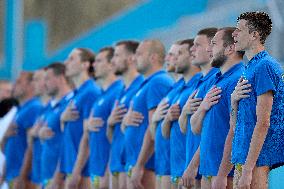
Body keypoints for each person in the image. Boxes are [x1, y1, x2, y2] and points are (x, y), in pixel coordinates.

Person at [212, 11, 284, 189]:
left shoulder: (264, 66)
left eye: (239, 30)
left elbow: (263, 122)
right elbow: (236, 124)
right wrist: (234, 100)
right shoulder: (250, 67)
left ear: (254, 35)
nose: (234, 34)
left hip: (258, 159)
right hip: (242, 155)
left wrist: (247, 171)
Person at [190, 27, 244, 189]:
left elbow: (236, 131)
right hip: (210, 170)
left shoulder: (238, 79)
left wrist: (222, 174)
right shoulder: (217, 81)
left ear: (230, 48)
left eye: (213, 44)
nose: (208, 49)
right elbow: (200, 130)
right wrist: (202, 108)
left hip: (225, 175)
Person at [122, 40, 174, 189]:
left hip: (147, 163)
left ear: (153, 57)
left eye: (139, 54)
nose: (133, 58)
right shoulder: (146, 83)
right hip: (137, 160)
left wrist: (140, 164)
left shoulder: (158, 82)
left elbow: (154, 129)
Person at [72, 47, 124, 189]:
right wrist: (76, 171)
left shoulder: (118, 91)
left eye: (99, 61)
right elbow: (87, 136)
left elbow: (119, 137)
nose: (93, 65)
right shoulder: (100, 94)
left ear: (111, 64)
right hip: (96, 171)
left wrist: (107, 173)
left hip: (109, 172)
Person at [178, 28, 218, 189]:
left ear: (210, 49)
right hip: (193, 167)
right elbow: (185, 129)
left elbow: (212, 131)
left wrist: (193, 166)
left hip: (204, 167)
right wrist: (184, 112)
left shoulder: (215, 79)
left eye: (197, 45)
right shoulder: (199, 82)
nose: (192, 50)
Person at [161, 39, 201, 189]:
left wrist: (192, 166)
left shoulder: (197, 86)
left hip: (190, 170)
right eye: (172, 54)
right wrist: (166, 118)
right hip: (177, 169)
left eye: (178, 53)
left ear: (192, 55)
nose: (172, 58)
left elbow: (204, 131)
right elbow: (166, 133)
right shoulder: (180, 88)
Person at [61, 48, 101, 189]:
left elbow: (89, 135)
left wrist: (77, 171)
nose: (66, 62)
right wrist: (62, 119)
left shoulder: (91, 92)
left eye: (71, 59)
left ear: (85, 65)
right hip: (72, 167)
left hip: (84, 171)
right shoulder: (76, 94)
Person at [107, 40, 143, 189]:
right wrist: (110, 122)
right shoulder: (122, 90)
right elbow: (112, 136)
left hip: (132, 164)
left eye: (116, 55)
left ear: (130, 58)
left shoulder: (140, 86)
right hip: (117, 162)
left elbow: (141, 130)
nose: (113, 60)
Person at [1, 72, 42, 188]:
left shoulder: (34, 108)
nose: (15, 85)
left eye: (19, 82)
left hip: (23, 177)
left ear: (31, 85)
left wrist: (22, 176)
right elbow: (7, 149)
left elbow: (32, 146)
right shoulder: (19, 109)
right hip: (12, 175)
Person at [38, 63, 73, 189]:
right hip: (46, 176)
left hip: (61, 178)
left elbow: (71, 141)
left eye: (47, 78)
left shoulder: (71, 103)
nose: (44, 83)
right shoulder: (52, 106)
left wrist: (58, 176)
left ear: (61, 78)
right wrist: (40, 134)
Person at [19, 69, 51, 189]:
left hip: (48, 175)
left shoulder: (39, 108)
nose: (33, 84)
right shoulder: (42, 110)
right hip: (38, 174)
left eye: (37, 80)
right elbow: (31, 145)